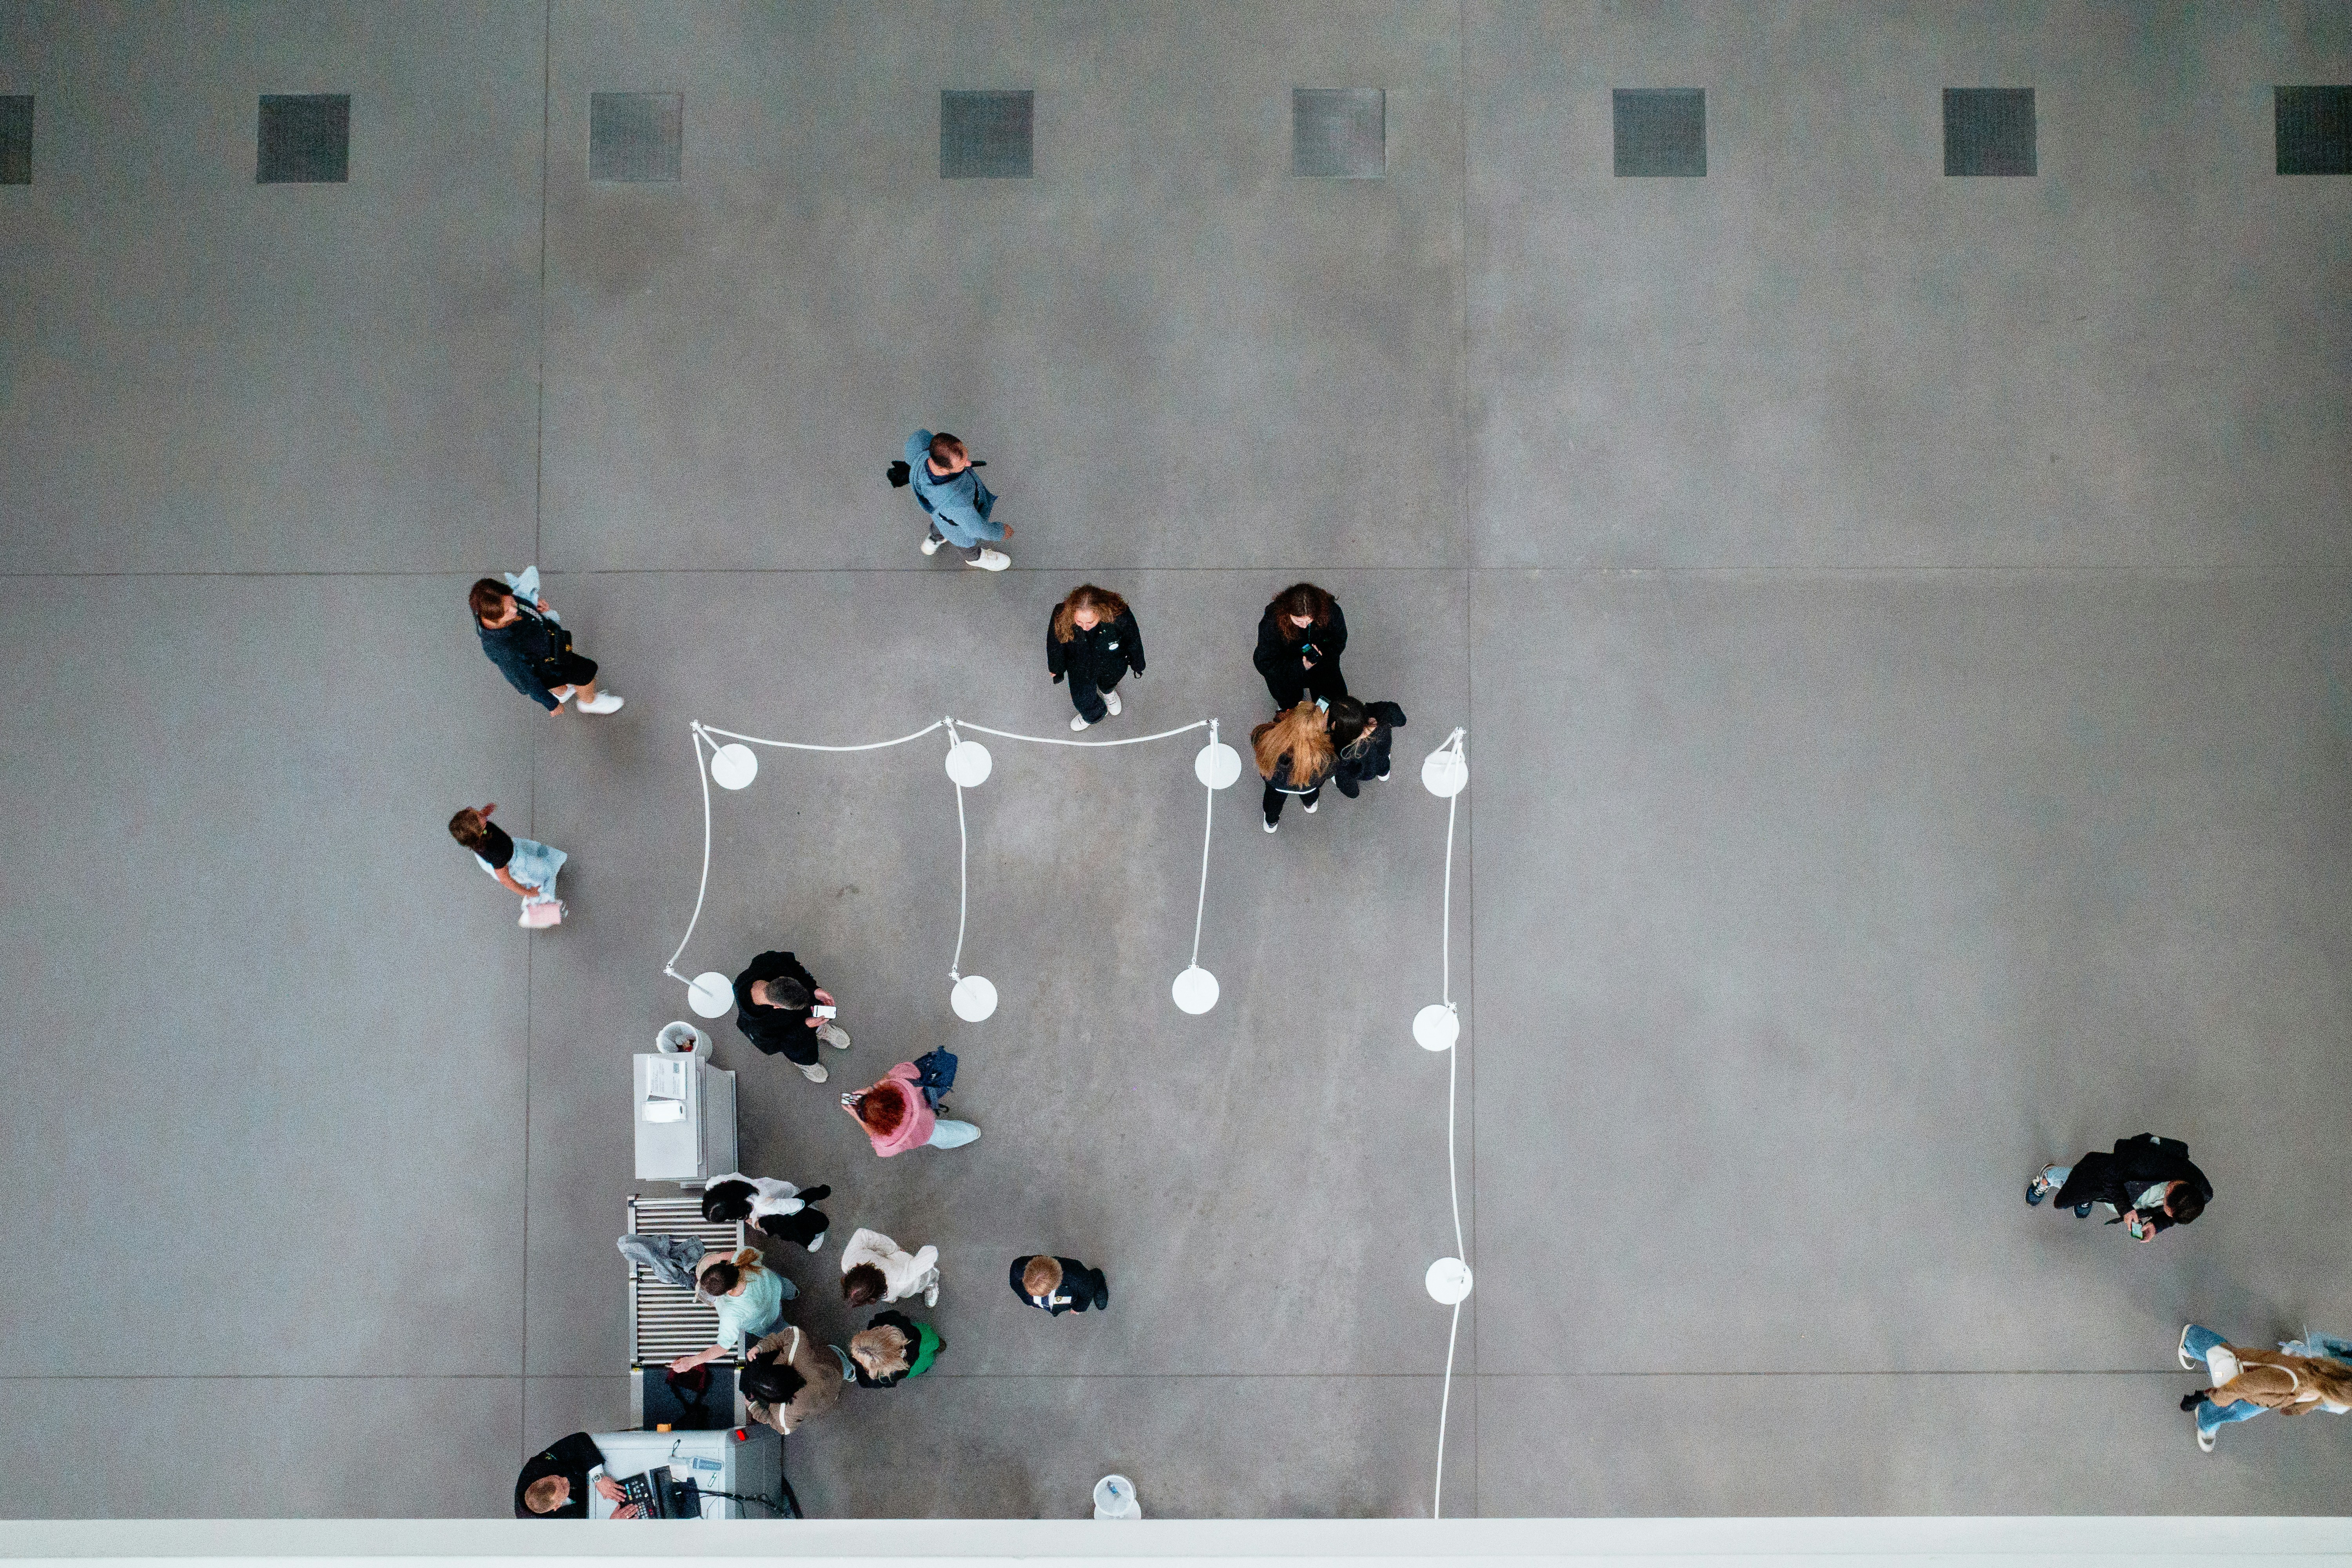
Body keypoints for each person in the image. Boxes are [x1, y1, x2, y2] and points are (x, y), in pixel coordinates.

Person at [2177, 1325, 2352, 1452]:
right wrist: (2221, 1397)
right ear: (2334, 1394)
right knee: (2224, 1359)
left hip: (2274, 1389)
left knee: (2226, 1363)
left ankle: (2208, 1415)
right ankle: (2192, 1340)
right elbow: (2243, 1385)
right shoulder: (2290, 1383)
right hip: (2261, 1384)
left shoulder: (2322, 1376)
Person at [470, 578, 622, 716]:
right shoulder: (503, 649)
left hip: (545, 653)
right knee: (586, 671)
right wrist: (551, 704)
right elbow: (525, 681)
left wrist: (539, 612)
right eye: (507, 611)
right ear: (492, 618)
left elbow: (522, 608)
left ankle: (562, 693)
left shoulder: (499, 605)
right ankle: (589, 702)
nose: (515, 609)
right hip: (545, 665)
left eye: (512, 603)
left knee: (559, 682)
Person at [2024, 1133, 2212, 1241]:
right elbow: (2109, 1174)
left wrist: (2156, 1225)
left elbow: (2174, 1215)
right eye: (2163, 1203)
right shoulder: (2146, 1163)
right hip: (2107, 1177)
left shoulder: (2199, 1196)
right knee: (2078, 1181)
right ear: (2172, 1186)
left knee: (2095, 1194)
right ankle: (2047, 1176)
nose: (2161, 1207)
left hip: (2123, 1195)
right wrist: (2126, 1209)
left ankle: (2088, 1198)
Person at [733, 950, 851, 1085]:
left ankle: (820, 1029)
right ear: (777, 1007)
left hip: (802, 1019)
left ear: (782, 979)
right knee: (803, 1053)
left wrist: (814, 990)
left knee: (812, 1011)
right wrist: (805, 1026)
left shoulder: (771, 961)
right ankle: (807, 1064)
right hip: (795, 1037)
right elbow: (779, 1045)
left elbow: (797, 969)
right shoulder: (756, 1027)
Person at [899, 430, 1011, 571]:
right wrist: (1001, 532)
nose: (969, 464)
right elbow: (978, 529)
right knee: (965, 543)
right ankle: (976, 559)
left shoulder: (920, 443)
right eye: (961, 465)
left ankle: (935, 538)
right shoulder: (955, 503)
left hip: (944, 516)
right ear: (941, 468)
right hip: (956, 524)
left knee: (942, 523)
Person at [667, 1249, 792, 1373]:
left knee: (786, 1334)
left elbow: (723, 1347)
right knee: (788, 1289)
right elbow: (756, 1253)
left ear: (724, 1292)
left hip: (769, 1320)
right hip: (774, 1285)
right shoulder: (744, 1258)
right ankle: (795, 1293)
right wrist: (719, 1256)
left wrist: (691, 1362)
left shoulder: (730, 1314)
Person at [1047, 584, 1145, 731]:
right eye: (1079, 622)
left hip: (1112, 661)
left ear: (1101, 613)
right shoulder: (1061, 614)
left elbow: (1133, 639)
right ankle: (1093, 715)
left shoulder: (1119, 615)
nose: (1085, 627)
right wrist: (1057, 668)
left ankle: (1108, 692)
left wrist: (1138, 663)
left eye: (1090, 622)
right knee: (1082, 699)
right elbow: (1055, 642)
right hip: (1079, 665)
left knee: (1109, 681)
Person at [448, 804, 566, 925]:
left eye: (478, 814)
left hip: (512, 848)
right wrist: (529, 892)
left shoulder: (480, 834)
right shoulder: (494, 852)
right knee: (545, 875)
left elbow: (481, 820)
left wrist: (484, 813)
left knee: (538, 856)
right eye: (479, 817)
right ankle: (541, 912)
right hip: (516, 862)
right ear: (478, 832)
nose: (482, 815)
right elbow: (506, 880)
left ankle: (551, 868)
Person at [843, 1063, 980, 1156]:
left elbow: (882, 1150)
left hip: (921, 1136)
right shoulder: (900, 1086)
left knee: (940, 1136)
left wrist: (860, 1120)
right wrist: (875, 1088)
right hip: (925, 1115)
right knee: (943, 1132)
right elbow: (908, 1068)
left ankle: (973, 1134)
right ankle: (973, 1132)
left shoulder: (888, 1140)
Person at [740, 1322, 847, 1437]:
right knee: (836, 1361)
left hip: (825, 1400)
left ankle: (840, 1387)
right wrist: (760, 1347)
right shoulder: (796, 1354)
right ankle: (848, 1369)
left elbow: (783, 1430)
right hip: (834, 1369)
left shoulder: (784, 1413)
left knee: (828, 1394)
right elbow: (792, 1332)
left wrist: (753, 1407)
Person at [1252, 583, 1347, 710]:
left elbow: (1339, 640)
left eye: (1309, 620)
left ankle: (1326, 713)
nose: (1304, 625)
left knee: (1335, 704)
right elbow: (1265, 662)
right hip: (1288, 663)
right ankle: (1288, 707)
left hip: (1323, 663)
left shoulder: (1332, 612)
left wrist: (1322, 656)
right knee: (1290, 706)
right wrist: (1301, 666)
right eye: (1298, 620)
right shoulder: (1272, 621)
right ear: (1288, 613)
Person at [1253, 701, 1336, 833]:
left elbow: (1256, 741)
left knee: (1273, 802)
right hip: (1308, 786)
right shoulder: (1325, 755)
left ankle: (1271, 823)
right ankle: (1309, 806)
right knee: (1310, 795)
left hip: (1276, 783)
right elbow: (1330, 772)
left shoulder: (1266, 734)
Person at [515, 1431, 639, 1518]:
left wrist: (599, 1478)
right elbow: (583, 1544)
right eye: (563, 1488)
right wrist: (610, 1526)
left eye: (557, 1478)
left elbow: (578, 1440)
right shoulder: (551, 1527)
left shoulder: (538, 1467)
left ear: (541, 1479)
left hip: (595, 1470)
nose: (564, 1480)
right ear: (557, 1507)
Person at [704, 1173, 831, 1252]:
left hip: (772, 1204)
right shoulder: (714, 1184)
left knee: (795, 1222)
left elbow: (793, 1206)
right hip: (768, 1188)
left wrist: (756, 1224)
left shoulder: (763, 1206)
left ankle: (815, 1238)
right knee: (789, 1193)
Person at [1325, 697, 1407, 799]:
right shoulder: (1378, 716)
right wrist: (1377, 711)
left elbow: (1345, 781)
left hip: (1364, 772)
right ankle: (1384, 775)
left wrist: (1352, 793)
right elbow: (1401, 720)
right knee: (1383, 764)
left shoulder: (1342, 752)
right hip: (1382, 755)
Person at [841, 1227, 941, 1308]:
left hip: (909, 1276)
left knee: (925, 1278)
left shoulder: (900, 1279)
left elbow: (929, 1255)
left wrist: (893, 1250)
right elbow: (863, 1235)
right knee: (898, 1292)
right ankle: (893, 1296)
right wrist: (893, 1250)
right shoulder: (848, 1262)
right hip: (896, 1263)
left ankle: (932, 1283)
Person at [846, 1309, 942, 1389]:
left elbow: (889, 1383)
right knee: (930, 1341)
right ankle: (938, 1344)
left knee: (923, 1363)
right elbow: (898, 1317)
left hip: (910, 1366)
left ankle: (926, 1367)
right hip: (919, 1338)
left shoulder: (875, 1378)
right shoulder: (885, 1323)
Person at [1010, 1254, 1109, 1315]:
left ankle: (1097, 1277)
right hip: (1046, 1267)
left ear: (1056, 1285)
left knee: (1089, 1284)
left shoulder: (1077, 1276)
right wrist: (1028, 1301)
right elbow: (1015, 1284)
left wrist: (1079, 1308)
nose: (1031, 1295)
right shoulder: (1019, 1267)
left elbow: (1087, 1294)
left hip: (1073, 1290)